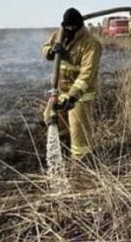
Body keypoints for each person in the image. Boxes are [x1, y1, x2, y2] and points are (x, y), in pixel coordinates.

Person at [41, 8, 103, 159]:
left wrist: (72, 97)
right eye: (66, 27)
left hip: (79, 96)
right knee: (50, 117)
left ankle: (81, 164)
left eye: (71, 28)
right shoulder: (59, 34)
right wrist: (51, 51)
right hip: (60, 90)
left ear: (78, 26)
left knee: (79, 134)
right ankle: (62, 149)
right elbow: (44, 48)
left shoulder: (91, 44)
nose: (68, 31)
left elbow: (86, 76)